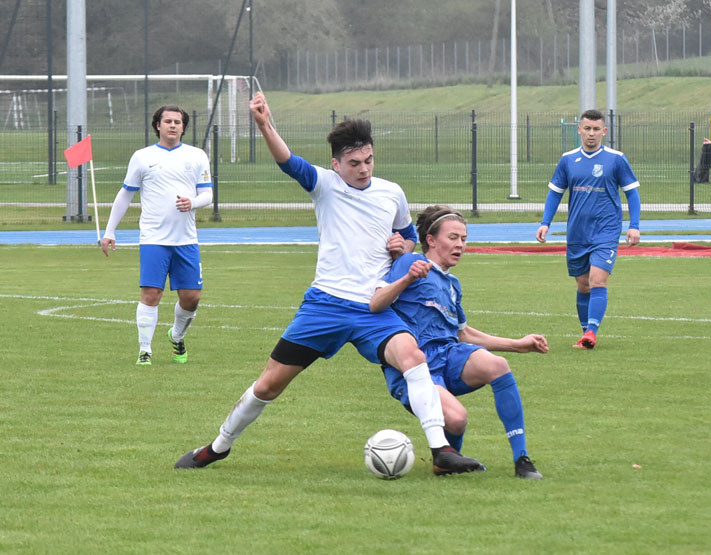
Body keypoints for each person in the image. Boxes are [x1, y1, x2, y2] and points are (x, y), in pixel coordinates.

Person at [174, 92, 484, 475]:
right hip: (325, 306)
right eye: (354, 163)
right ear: (335, 164)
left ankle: (440, 449)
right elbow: (287, 161)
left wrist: (400, 244)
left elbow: (406, 239)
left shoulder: (392, 194)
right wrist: (264, 124)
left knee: (413, 357)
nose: (364, 169)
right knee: (269, 385)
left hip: (373, 308)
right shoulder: (323, 185)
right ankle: (218, 446)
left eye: (368, 160)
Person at [370, 205, 549, 479]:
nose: (460, 245)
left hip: (449, 354)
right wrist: (407, 277)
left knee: (497, 365)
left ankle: (522, 460)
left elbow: (463, 333)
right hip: (413, 363)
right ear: (431, 240)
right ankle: (445, 462)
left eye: (463, 239)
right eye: (453, 237)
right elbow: (376, 304)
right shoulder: (409, 263)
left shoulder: (453, 284)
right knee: (456, 418)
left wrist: (517, 344)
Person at [100, 105, 213, 366]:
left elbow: (207, 194)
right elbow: (125, 193)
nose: (173, 125)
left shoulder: (196, 156)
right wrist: (109, 230)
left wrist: (192, 203)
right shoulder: (142, 157)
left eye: (178, 122)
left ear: (184, 127)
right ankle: (145, 350)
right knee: (151, 294)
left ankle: (176, 335)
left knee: (191, 298)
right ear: (158, 125)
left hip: (186, 240)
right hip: (153, 238)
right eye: (168, 121)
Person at [535, 109, 641, 350]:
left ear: (604, 131)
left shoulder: (616, 159)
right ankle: (585, 333)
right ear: (579, 130)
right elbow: (555, 193)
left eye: (596, 129)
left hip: (606, 231)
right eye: (587, 129)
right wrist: (545, 222)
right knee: (583, 285)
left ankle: (591, 332)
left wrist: (634, 226)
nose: (591, 134)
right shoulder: (568, 160)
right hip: (577, 233)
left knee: (597, 281)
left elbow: (632, 193)